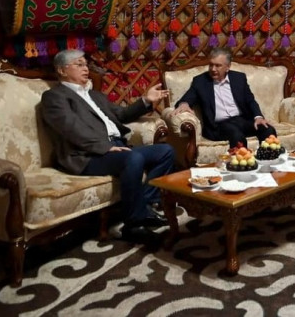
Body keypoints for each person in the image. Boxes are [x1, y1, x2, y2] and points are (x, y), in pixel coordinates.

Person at [41, 49, 175, 244]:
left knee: (166, 151)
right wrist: (105, 147)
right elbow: (71, 128)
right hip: (87, 155)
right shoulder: (54, 97)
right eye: (79, 64)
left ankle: (144, 207)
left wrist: (146, 100)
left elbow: (121, 115)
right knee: (133, 157)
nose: (86, 68)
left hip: (116, 147)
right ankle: (134, 225)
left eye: (86, 64)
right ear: (62, 70)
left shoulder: (95, 95)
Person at [173, 47, 276, 148]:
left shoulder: (239, 78)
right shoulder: (201, 81)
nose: (213, 69)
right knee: (236, 135)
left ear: (228, 67)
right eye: (211, 65)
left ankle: (268, 158)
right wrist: (184, 104)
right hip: (219, 126)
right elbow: (187, 98)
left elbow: (250, 100)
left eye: (218, 65)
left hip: (242, 120)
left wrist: (258, 117)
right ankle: (242, 159)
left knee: (268, 130)